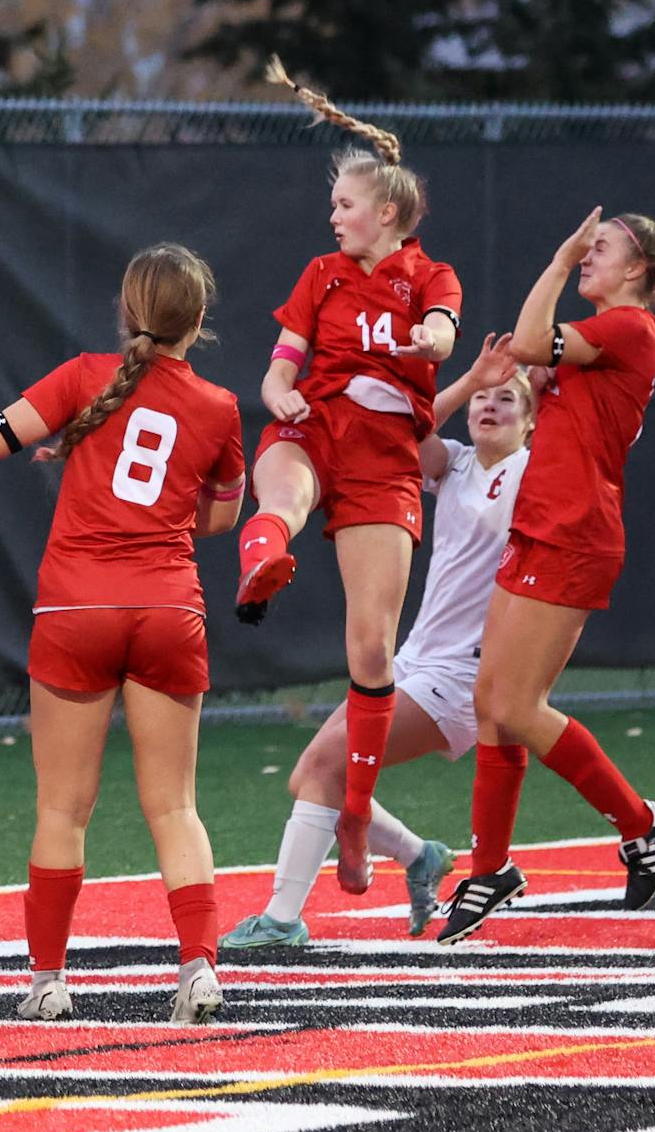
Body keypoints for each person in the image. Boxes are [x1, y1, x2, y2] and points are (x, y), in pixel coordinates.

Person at [0, 244, 243, 1025]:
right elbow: (223, 516)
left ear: (128, 311)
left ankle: (48, 981)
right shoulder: (221, 407)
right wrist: (163, 515)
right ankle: (199, 970)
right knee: (175, 808)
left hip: (76, 610)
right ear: (197, 322)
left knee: (62, 810)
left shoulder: (82, 377)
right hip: (170, 609)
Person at [232, 58, 460, 892]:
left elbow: (441, 333)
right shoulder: (321, 276)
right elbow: (279, 366)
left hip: (386, 462)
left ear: (388, 212)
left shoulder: (428, 276)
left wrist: (427, 344)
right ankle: (264, 557)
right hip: (318, 427)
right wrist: (278, 391)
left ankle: (357, 815)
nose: (333, 218)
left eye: (345, 205)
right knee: (281, 495)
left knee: (371, 645)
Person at [226, 334, 532, 948]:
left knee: (319, 769)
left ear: (532, 419)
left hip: (463, 677)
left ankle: (282, 921)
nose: (490, 407)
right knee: (313, 776)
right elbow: (403, 438)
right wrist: (469, 382)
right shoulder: (459, 465)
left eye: (508, 400)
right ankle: (419, 855)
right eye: (484, 401)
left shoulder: (533, 470)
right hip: (419, 661)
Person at [439, 210, 655, 943]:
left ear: (637, 270)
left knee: (517, 704)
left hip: (575, 534)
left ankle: (641, 823)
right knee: (491, 701)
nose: (587, 256)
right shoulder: (605, 340)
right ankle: (489, 869)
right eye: (585, 247)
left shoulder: (631, 328)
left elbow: (526, 340)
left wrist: (554, 261)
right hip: (543, 524)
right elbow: (534, 361)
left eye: (600, 249)